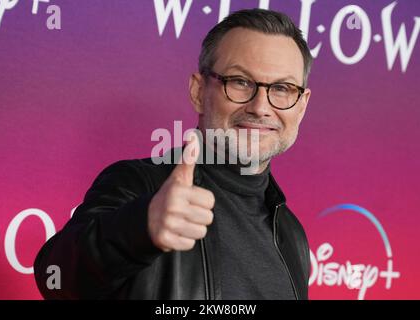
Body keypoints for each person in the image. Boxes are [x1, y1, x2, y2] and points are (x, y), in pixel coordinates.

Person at [34, 8, 312, 300]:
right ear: (198, 91)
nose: (260, 107)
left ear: (302, 105)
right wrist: (139, 228)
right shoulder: (140, 185)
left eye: (282, 88)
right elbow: (56, 277)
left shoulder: (292, 236)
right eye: (240, 82)